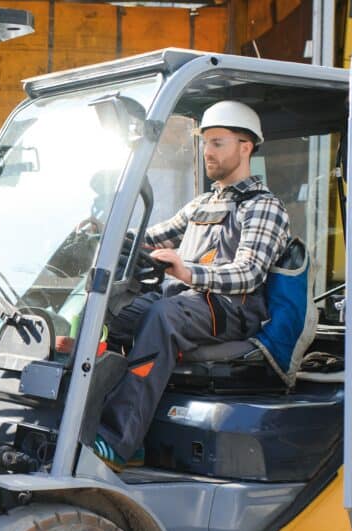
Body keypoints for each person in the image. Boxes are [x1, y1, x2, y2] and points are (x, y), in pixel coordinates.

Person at [91, 100, 291, 470]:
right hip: (189, 301)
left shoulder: (264, 207)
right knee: (115, 310)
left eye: (218, 143)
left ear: (245, 147)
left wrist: (187, 273)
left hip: (232, 310)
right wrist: (105, 234)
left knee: (163, 315)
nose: (207, 152)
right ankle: (100, 418)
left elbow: (249, 272)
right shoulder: (202, 204)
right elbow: (153, 236)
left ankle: (119, 441)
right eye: (205, 142)